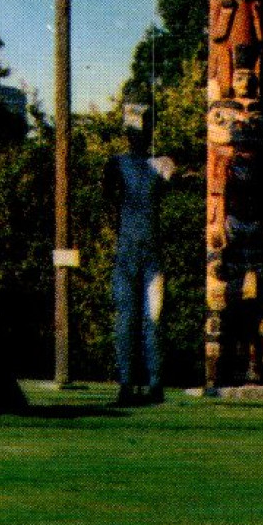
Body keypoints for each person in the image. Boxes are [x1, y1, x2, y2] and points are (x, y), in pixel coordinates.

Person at [104, 105, 177, 407]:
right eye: (133, 132)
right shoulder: (117, 163)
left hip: (149, 251)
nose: (137, 137)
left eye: (141, 132)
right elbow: (108, 197)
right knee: (126, 319)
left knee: (153, 318)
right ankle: (126, 382)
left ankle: (155, 381)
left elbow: (172, 180)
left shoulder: (161, 163)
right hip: (127, 251)